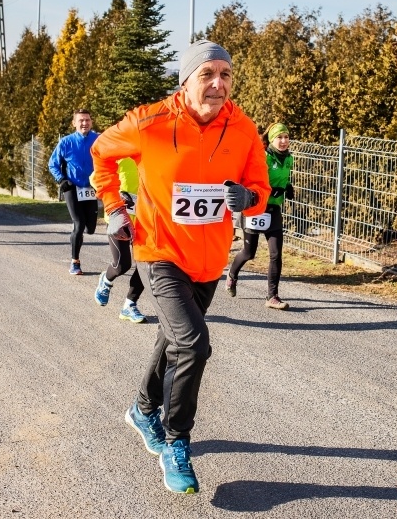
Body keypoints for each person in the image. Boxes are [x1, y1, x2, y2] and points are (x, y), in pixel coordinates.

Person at [91, 40, 270, 494]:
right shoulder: (148, 122)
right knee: (193, 344)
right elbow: (100, 153)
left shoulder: (244, 129)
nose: (217, 84)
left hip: (209, 259)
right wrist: (114, 207)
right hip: (159, 252)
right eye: (207, 74)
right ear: (185, 80)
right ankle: (176, 441)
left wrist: (248, 198)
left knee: (171, 339)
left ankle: (141, 408)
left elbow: (259, 186)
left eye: (225, 75)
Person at [226, 122, 295, 310]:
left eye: (286, 137)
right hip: (256, 208)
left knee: (276, 254)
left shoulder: (289, 159)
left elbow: (283, 178)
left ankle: (272, 296)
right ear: (271, 140)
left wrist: (287, 186)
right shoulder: (263, 157)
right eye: (279, 137)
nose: (283, 141)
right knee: (249, 253)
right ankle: (232, 275)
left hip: (273, 211)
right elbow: (250, 179)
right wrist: (265, 191)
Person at [90, 157, 146, 323]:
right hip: (119, 219)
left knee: (146, 265)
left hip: (145, 221)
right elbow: (95, 178)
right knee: (123, 265)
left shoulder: (154, 153)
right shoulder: (121, 155)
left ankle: (130, 305)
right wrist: (116, 195)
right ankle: (106, 281)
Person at [48, 109, 99, 275]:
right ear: (74, 123)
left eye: (87, 120)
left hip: (91, 188)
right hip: (73, 188)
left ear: (91, 122)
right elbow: (52, 164)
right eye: (81, 120)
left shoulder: (98, 139)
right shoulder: (66, 142)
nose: (84, 123)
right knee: (79, 224)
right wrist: (62, 180)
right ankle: (75, 262)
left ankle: (82, 230)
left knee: (90, 227)